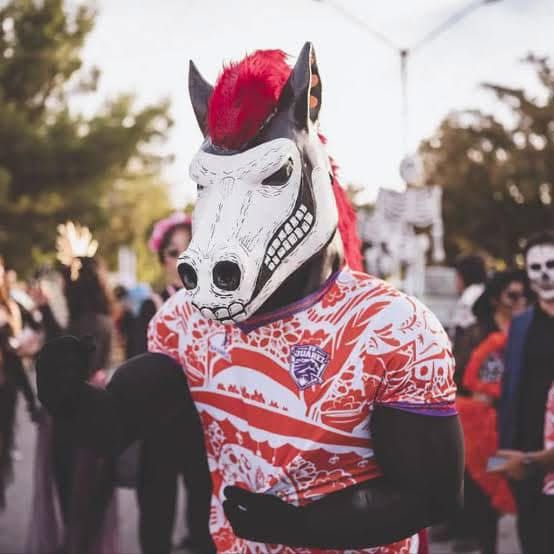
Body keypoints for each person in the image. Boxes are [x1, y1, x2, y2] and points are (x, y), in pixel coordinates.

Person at [36, 43, 463, 553]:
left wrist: (304, 528)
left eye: (272, 176)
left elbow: (432, 495)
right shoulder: (186, 324)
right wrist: (67, 396)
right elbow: (116, 423)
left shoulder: (392, 327)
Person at [27, 222, 118, 554]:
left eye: (66, 283)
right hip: (96, 416)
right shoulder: (101, 320)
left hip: (76, 421)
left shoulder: (85, 324)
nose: (63, 289)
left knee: (75, 500)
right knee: (89, 502)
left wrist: (44, 311)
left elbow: (64, 354)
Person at [455, 270, 528, 553]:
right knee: (488, 489)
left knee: (519, 492)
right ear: (497, 299)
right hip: (484, 432)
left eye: (525, 295)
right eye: (513, 295)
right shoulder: (477, 334)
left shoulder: (531, 330)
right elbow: (458, 379)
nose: (521, 301)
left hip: (518, 427)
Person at [496, 230, 554, 553]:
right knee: (533, 539)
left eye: (551, 264)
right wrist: (504, 453)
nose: (544, 274)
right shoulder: (521, 324)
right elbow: (510, 391)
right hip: (527, 457)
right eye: (536, 267)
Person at [0, 255, 40, 510]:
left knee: (4, 442)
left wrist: (29, 398)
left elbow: (14, 357)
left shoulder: (11, 307)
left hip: (7, 387)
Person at [451, 254, 487, 392]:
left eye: (457, 276)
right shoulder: (484, 292)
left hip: (468, 366)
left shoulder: (468, 298)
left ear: (463, 276)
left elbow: (462, 334)